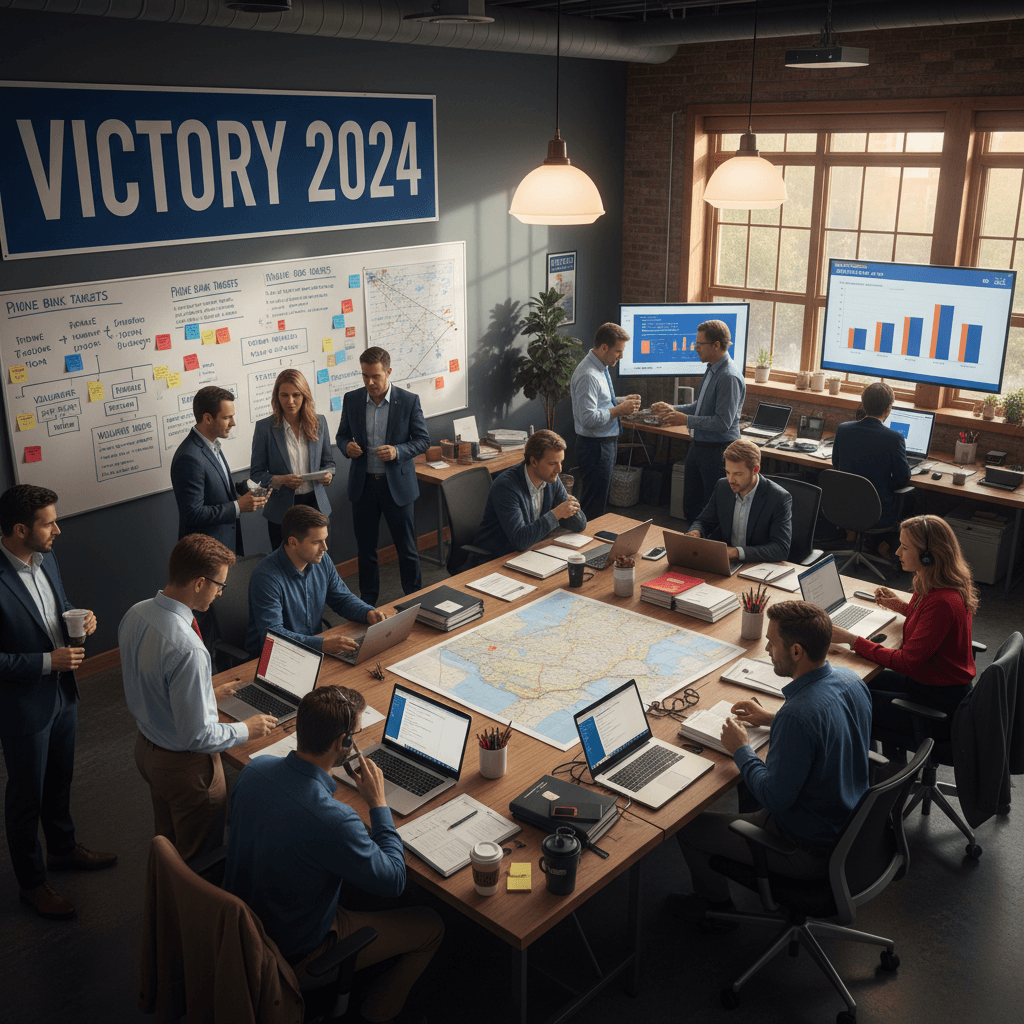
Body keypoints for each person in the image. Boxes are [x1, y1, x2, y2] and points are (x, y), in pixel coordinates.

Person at [223, 685, 444, 1023]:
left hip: (243, 927)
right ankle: (374, 1015)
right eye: (355, 736)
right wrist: (378, 804)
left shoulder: (255, 770)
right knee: (431, 926)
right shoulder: (334, 819)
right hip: (293, 953)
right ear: (343, 743)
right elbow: (394, 880)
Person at [668, 600, 871, 926]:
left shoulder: (798, 715)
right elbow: (826, 727)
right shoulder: (852, 682)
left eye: (772, 642)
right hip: (850, 831)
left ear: (795, 651)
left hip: (805, 850)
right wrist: (770, 718)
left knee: (688, 828)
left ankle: (714, 909)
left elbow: (775, 797)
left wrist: (741, 750)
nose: (765, 648)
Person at [119, 534, 277, 863]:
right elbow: (199, 736)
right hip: (185, 768)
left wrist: (206, 692)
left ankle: (164, 907)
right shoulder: (187, 647)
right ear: (199, 582)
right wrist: (248, 729)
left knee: (167, 844)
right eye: (219, 585)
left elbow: (150, 680)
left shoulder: (135, 613)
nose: (221, 593)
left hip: (147, 752)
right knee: (198, 862)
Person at [0, 485, 115, 920]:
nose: (58, 530)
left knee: (60, 779)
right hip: (24, 706)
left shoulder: (46, 559)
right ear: (19, 529)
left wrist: (79, 616)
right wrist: (47, 661)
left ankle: (63, 850)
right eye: (48, 523)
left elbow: (57, 607)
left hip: (63, 695)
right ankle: (32, 884)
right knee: (26, 797)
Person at [830, 514, 977, 751]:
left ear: (928, 555)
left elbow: (907, 661)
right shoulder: (935, 582)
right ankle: (891, 765)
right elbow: (931, 626)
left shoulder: (943, 601)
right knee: (852, 682)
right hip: (929, 682)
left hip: (937, 703)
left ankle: (877, 772)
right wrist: (899, 605)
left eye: (905, 547)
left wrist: (852, 640)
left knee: (847, 700)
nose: (897, 552)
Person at [336, 347, 430, 606]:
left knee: (407, 549)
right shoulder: (352, 399)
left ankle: (414, 599)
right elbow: (342, 435)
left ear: (388, 372)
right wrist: (347, 447)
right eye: (365, 376)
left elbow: (423, 440)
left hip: (397, 487)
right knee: (366, 551)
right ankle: (367, 603)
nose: (369, 382)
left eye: (375, 376)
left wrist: (398, 451)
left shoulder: (409, 401)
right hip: (363, 485)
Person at [246, 505, 387, 656]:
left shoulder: (321, 560)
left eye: (325, 540)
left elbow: (342, 599)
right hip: (276, 658)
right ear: (293, 542)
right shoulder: (266, 578)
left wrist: (367, 612)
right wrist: (321, 645)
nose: (325, 548)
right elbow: (273, 637)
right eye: (316, 542)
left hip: (312, 649)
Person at [651, 319, 746, 523]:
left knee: (712, 509)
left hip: (717, 450)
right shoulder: (711, 368)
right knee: (691, 504)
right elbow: (700, 406)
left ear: (716, 345)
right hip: (699, 447)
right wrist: (672, 409)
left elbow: (723, 423)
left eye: (699, 344)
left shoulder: (728, 377)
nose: (695, 348)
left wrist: (685, 420)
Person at [170, 385, 268, 555]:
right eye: (227, 417)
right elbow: (193, 514)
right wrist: (238, 506)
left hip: (224, 546)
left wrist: (244, 488)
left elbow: (213, 488)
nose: (233, 423)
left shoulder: (212, 445)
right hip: (206, 554)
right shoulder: (189, 458)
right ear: (207, 418)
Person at [469, 429, 586, 565]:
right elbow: (520, 541)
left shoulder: (551, 479)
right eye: (552, 463)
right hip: (496, 559)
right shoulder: (506, 487)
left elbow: (580, 525)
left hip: (530, 553)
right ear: (534, 462)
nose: (559, 469)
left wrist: (570, 507)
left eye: (561, 462)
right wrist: (557, 513)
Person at [250, 368, 336, 550]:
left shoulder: (319, 423)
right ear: (277, 397)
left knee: (318, 562)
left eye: (296, 395)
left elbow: (329, 463)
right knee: (285, 566)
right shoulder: (264, 428)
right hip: (282, 510)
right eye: (284, 395)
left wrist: (329, 474)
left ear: (304, 395)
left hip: (315, 504)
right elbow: (256, 474)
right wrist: (278, 480)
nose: (290, 401)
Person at [569, 323, 642, 522]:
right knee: (594, 505)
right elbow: (588, 418)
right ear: (604, 348)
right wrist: (619, 410)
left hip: (602, 445)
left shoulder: (599, 367)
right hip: (596, 447)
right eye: (618, 351)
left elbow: (599, 402)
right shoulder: (588, 375)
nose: (621, 356)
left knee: (598, 501)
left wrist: (621, 402)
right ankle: (589, 548)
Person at [683, 438, 792, 564]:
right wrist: (696, 532)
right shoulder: (722, 486)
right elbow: (704, 521)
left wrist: (735, 552)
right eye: (727, 472)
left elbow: (780, 549)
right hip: (726, 561)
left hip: (758, 564)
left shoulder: (779, 498)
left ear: (755, 470)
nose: (731, 479)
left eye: (738, 474)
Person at [831, 381, 912, 535]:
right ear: (889, 409)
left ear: (862, 404)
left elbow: (837, 465)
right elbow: (903, 479)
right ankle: (885, 546)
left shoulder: (843, 429)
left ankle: (853, 537)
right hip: (878, 513)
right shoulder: (894, 438)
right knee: (914, 497)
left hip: (844, 507)